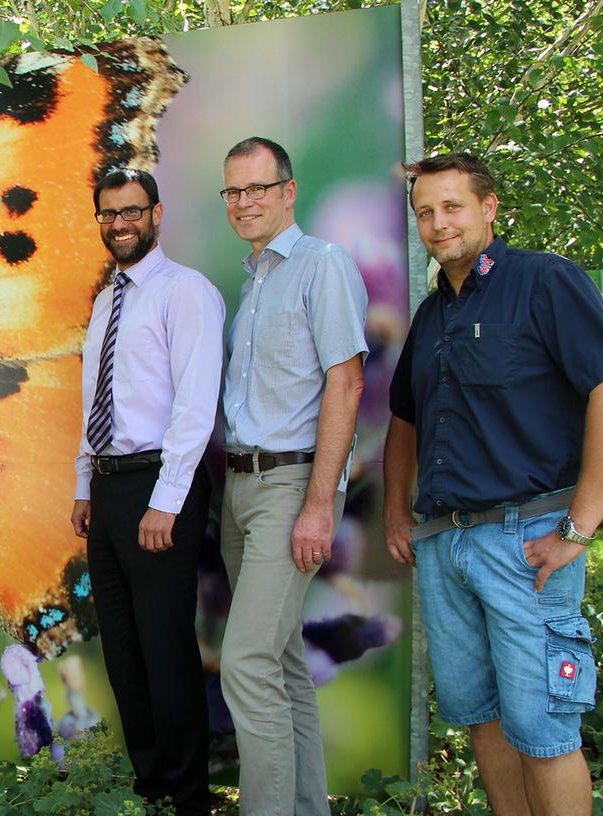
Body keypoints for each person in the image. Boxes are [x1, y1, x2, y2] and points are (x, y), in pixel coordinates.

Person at [385, 152, 603, 815]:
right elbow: (405, 419)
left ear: (489, 207)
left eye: (452, 207)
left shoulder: (543, 282)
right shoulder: (432, 314)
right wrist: (395, 511)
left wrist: (580, 529)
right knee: (482, 718)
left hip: (528, 540)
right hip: (448, 542)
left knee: (544, 728)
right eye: (425, 212)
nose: (438, 224)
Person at [218, 136, 368, 816]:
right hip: (239, 489)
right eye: (233, 192)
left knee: (245, 662)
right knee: (278, 664)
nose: (245, 202)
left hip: (289, 486)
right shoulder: (254, 280)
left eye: (257, 188)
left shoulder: (322, 265)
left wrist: (318, 504)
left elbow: (347, 384)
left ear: (289, 191)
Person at [69, 167, 224, 813]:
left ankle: (190, 798)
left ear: (156, 214)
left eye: (131, 211)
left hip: (161, 486)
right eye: (109, 214)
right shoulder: (106, 300)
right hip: (107, 491)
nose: (120, 224)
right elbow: (93, 402)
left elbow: (195, 404)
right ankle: (151, 786)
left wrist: (167, 500)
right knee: (124, 654)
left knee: (165, 651)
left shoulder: (185, 292)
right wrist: (84, 483)